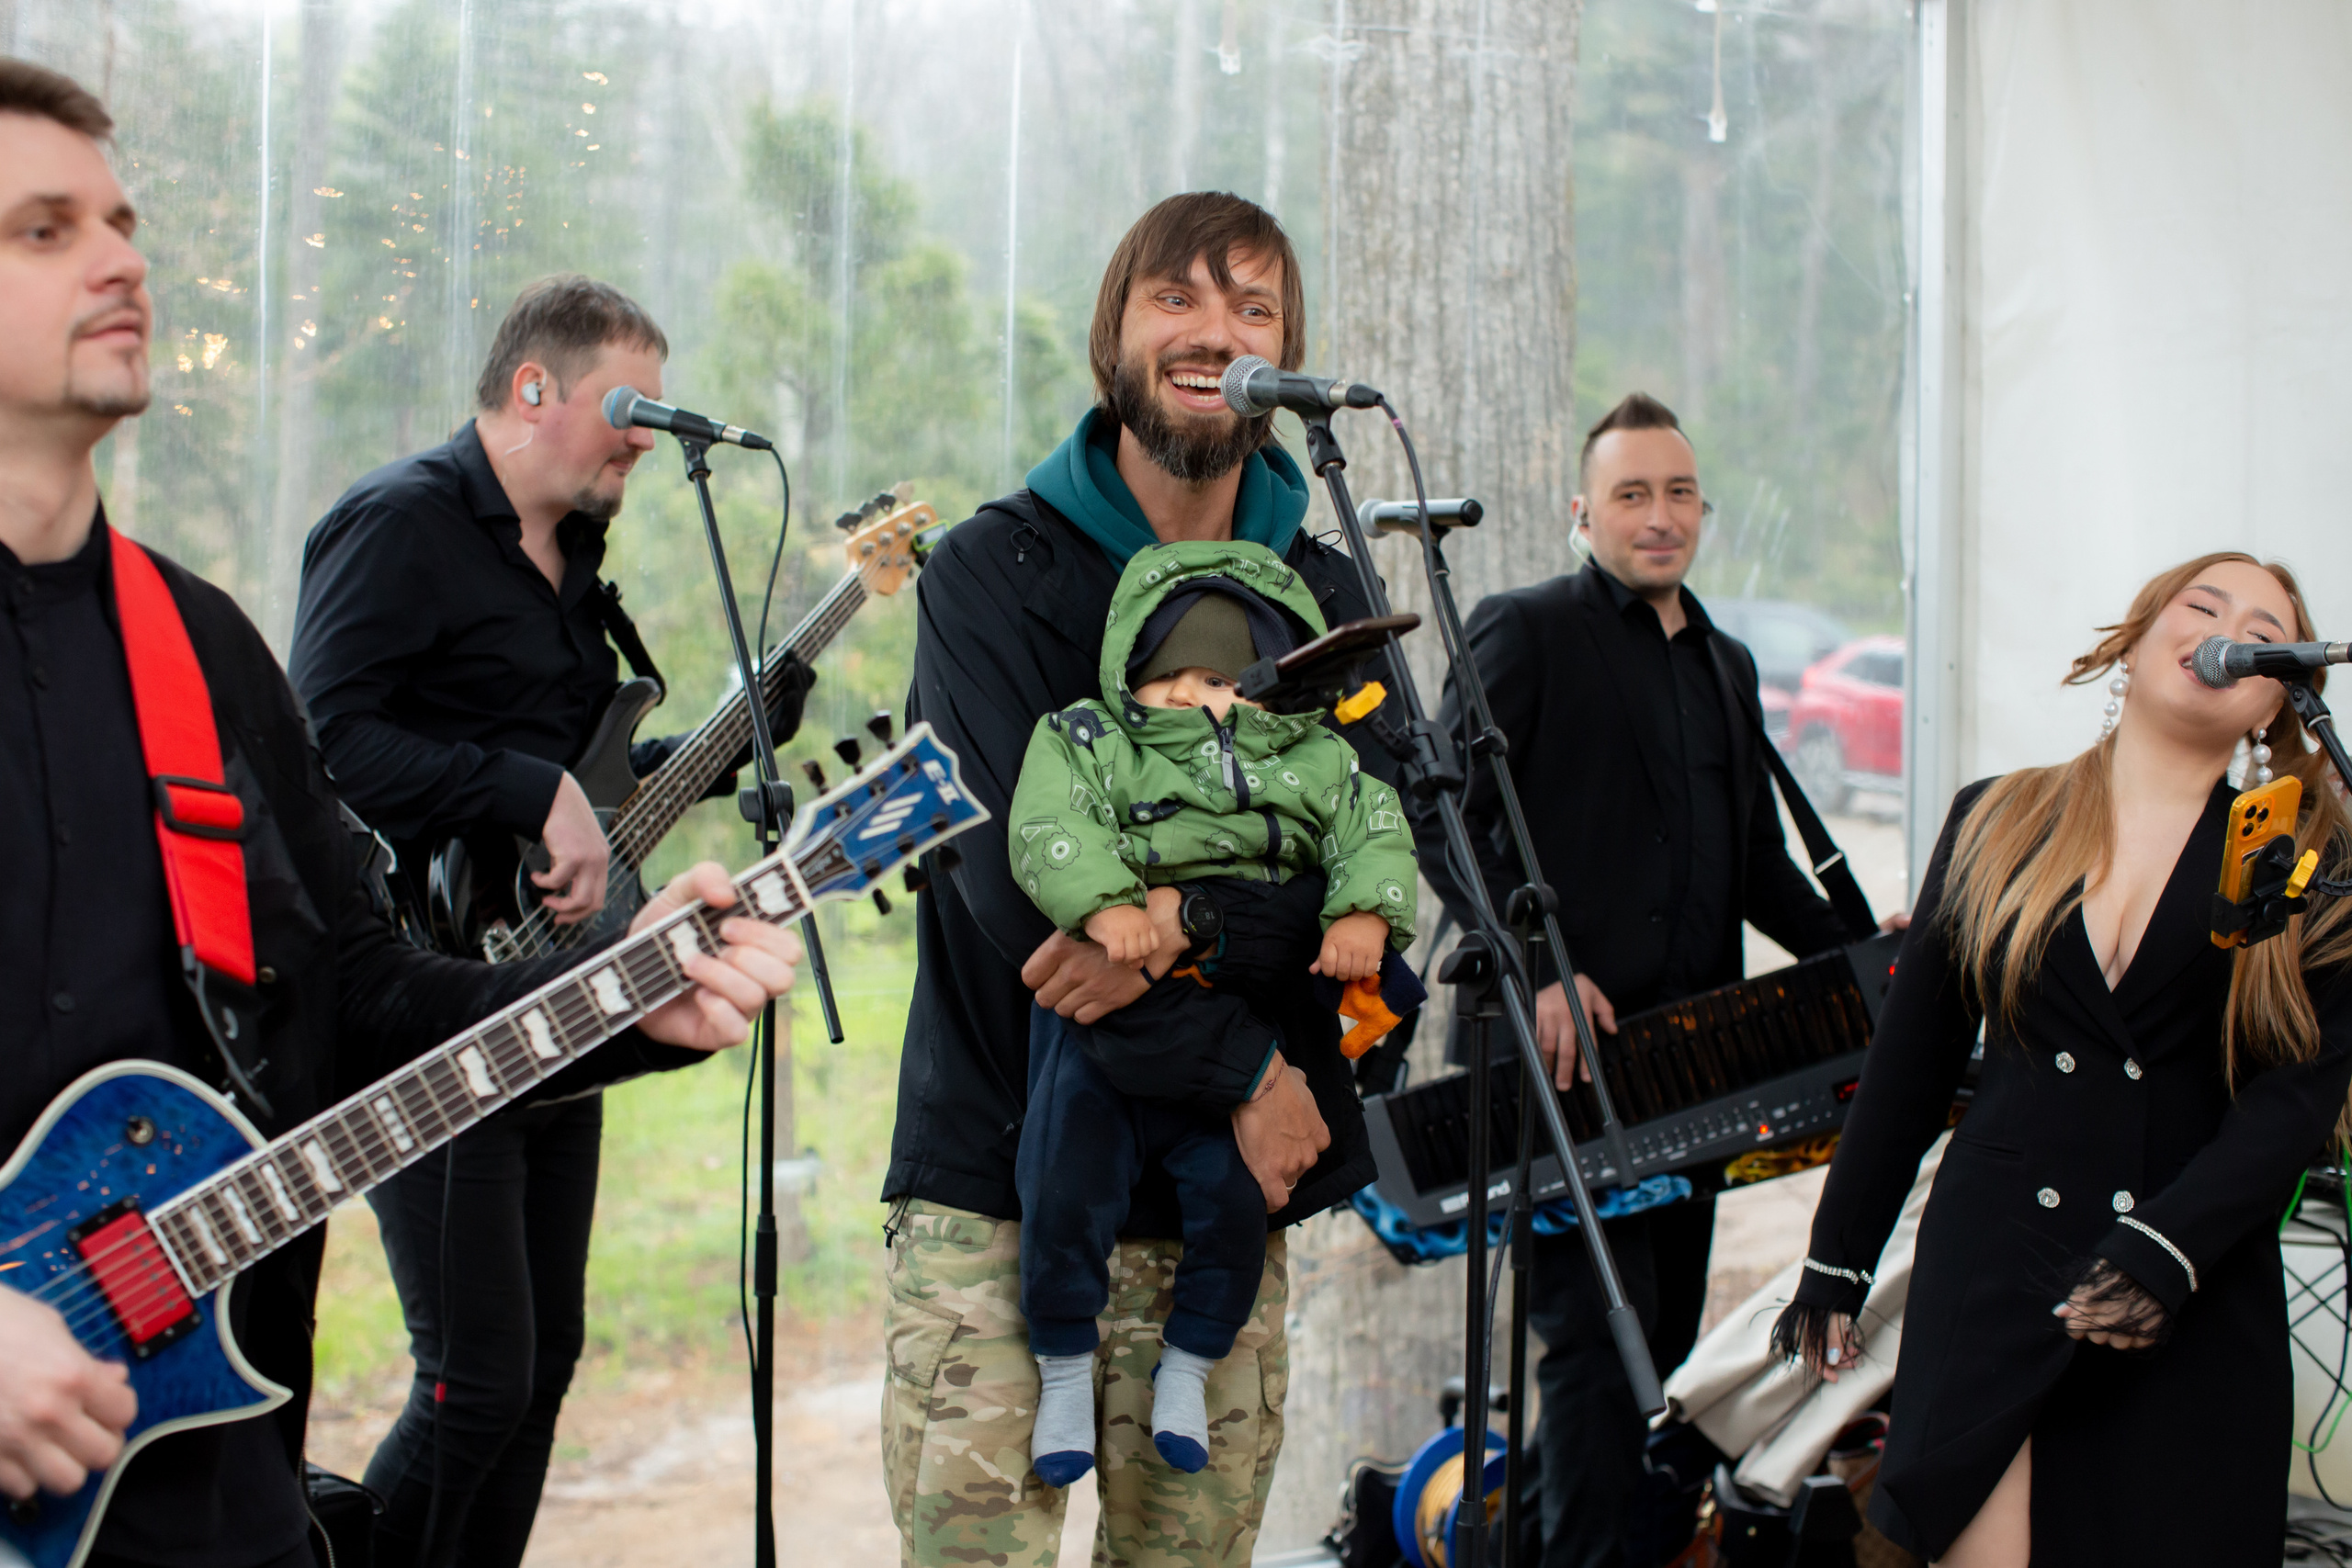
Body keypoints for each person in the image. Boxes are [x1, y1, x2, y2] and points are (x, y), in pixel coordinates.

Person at [0, 58, 804, 1568]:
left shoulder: (202, 658)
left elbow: (359, 997)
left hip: (213, 1491)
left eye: (118, 218)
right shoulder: (393, 526)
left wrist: (635, 995)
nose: (119, 257)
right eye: (42, 229)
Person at [886, 190, 1399, 1565]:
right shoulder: (989, 574)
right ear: (1113, 330)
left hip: (1223, 1196)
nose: (1213, 329)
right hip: (997, 1177)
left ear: (1285, 359)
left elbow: (1381, 878)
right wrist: (1249, 1062)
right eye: (1176, 296)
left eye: (1253, 307)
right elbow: (1022, 906)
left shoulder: (1330, 594)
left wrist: (1196, 916)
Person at [285, 276, 812, 1567]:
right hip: (428, 986)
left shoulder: (573, 562)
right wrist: (530, 788)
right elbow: (320, 737)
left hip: (557, 993)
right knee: (473, 1377)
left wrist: (727, 745)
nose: (643, 436)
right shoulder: (400, 522)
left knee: (542, 1365)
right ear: (534, 389)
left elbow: (585, 785)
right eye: (624, 404)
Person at [1776, 553, 2352, 1565]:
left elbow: (2295, 1096)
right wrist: (1837, 1257)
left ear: (2275, 699)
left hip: (2183, 1290)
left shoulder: (2302, 859)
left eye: (2265, 627)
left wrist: (2166, 1251)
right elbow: (1911, 1061)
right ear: (2133, 640)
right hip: (1998, 1272)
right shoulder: (1997, 817)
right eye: (2204, 605)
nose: (2230, 628)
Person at [1413, 391, 1884, 1568]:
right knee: (1588, 1344)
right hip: (1563, 1066)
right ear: (1585, 513)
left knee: (1660, 1342)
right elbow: (1443, 822)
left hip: (1689, 1067)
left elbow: (1754, 866)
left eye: (1678, 492)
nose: (1658, 514)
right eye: (1632, 493)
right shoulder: (1522, 629)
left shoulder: (1725, 662)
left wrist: (1876, 959)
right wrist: (1544, 971)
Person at [1008, 538, 1418, 1484]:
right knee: (1062, 1179)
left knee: (1239, 1201)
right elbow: (1050, 822)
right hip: (1102, 1021)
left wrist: (1362, 910)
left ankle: (1189, 1368)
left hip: (1242, 1005)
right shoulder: (1089, 737)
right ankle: (1065, 1369)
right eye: (1175, 681)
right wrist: (1104, 902)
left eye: (1225, 681)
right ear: (1134, 677)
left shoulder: (1317, 756)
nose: (1201, 701)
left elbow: (1377, 828)